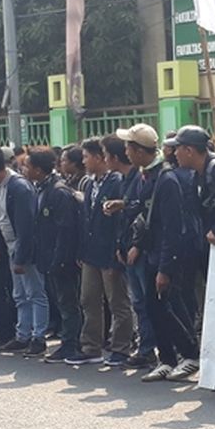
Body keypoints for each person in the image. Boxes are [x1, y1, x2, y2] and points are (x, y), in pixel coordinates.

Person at [118, 123, 201, 383]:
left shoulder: (166, 180)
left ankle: (189, 354)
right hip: (152, 252)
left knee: (172, 307)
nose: (126, 152)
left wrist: (165, 267)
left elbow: (172, 227)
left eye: (129, 147)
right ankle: (166, 358)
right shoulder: (147, 176)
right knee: (155, 309)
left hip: (167, 256)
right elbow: (145, 215)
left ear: (139, 150)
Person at [70, 139, 137, 367]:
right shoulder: (88, 184)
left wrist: (116, 251)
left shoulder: (116, 181)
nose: (84, 161)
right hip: (91, 253)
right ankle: (91, 347)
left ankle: (120, 348)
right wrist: (81, 249)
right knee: (88, 299)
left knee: (117, 302)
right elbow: (85, 220)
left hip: (109, 252)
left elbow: (120, 221)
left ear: (100, 157)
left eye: (87, 156)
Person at [0, 146, 45, 356]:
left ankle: (39, 337)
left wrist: (21, 257)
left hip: (23, 246)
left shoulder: (19, 187)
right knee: (20, 295)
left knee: (35, 293)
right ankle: (22, 335)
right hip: (9, 246)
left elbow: (26, 227)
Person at [102, 134, 157, 368]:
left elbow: (145, 215)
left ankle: (150, 349)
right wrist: (120, 245)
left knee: (146, 302)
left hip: (142, 249)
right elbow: (125, 218)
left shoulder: (145, 176)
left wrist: (136, 245)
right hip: (127, 248)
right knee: (138, 302)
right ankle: (145, 347)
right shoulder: (126, 179)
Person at [25, 149, 81, 361]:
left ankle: (70, 345)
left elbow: (65, 230)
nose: (24, 170)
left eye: (28, 166)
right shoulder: (42, 188)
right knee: (60, 301)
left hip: (62, 260)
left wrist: (59, 259)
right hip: (48, 258)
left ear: (38, 170)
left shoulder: (58, 192)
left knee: (68, 304)